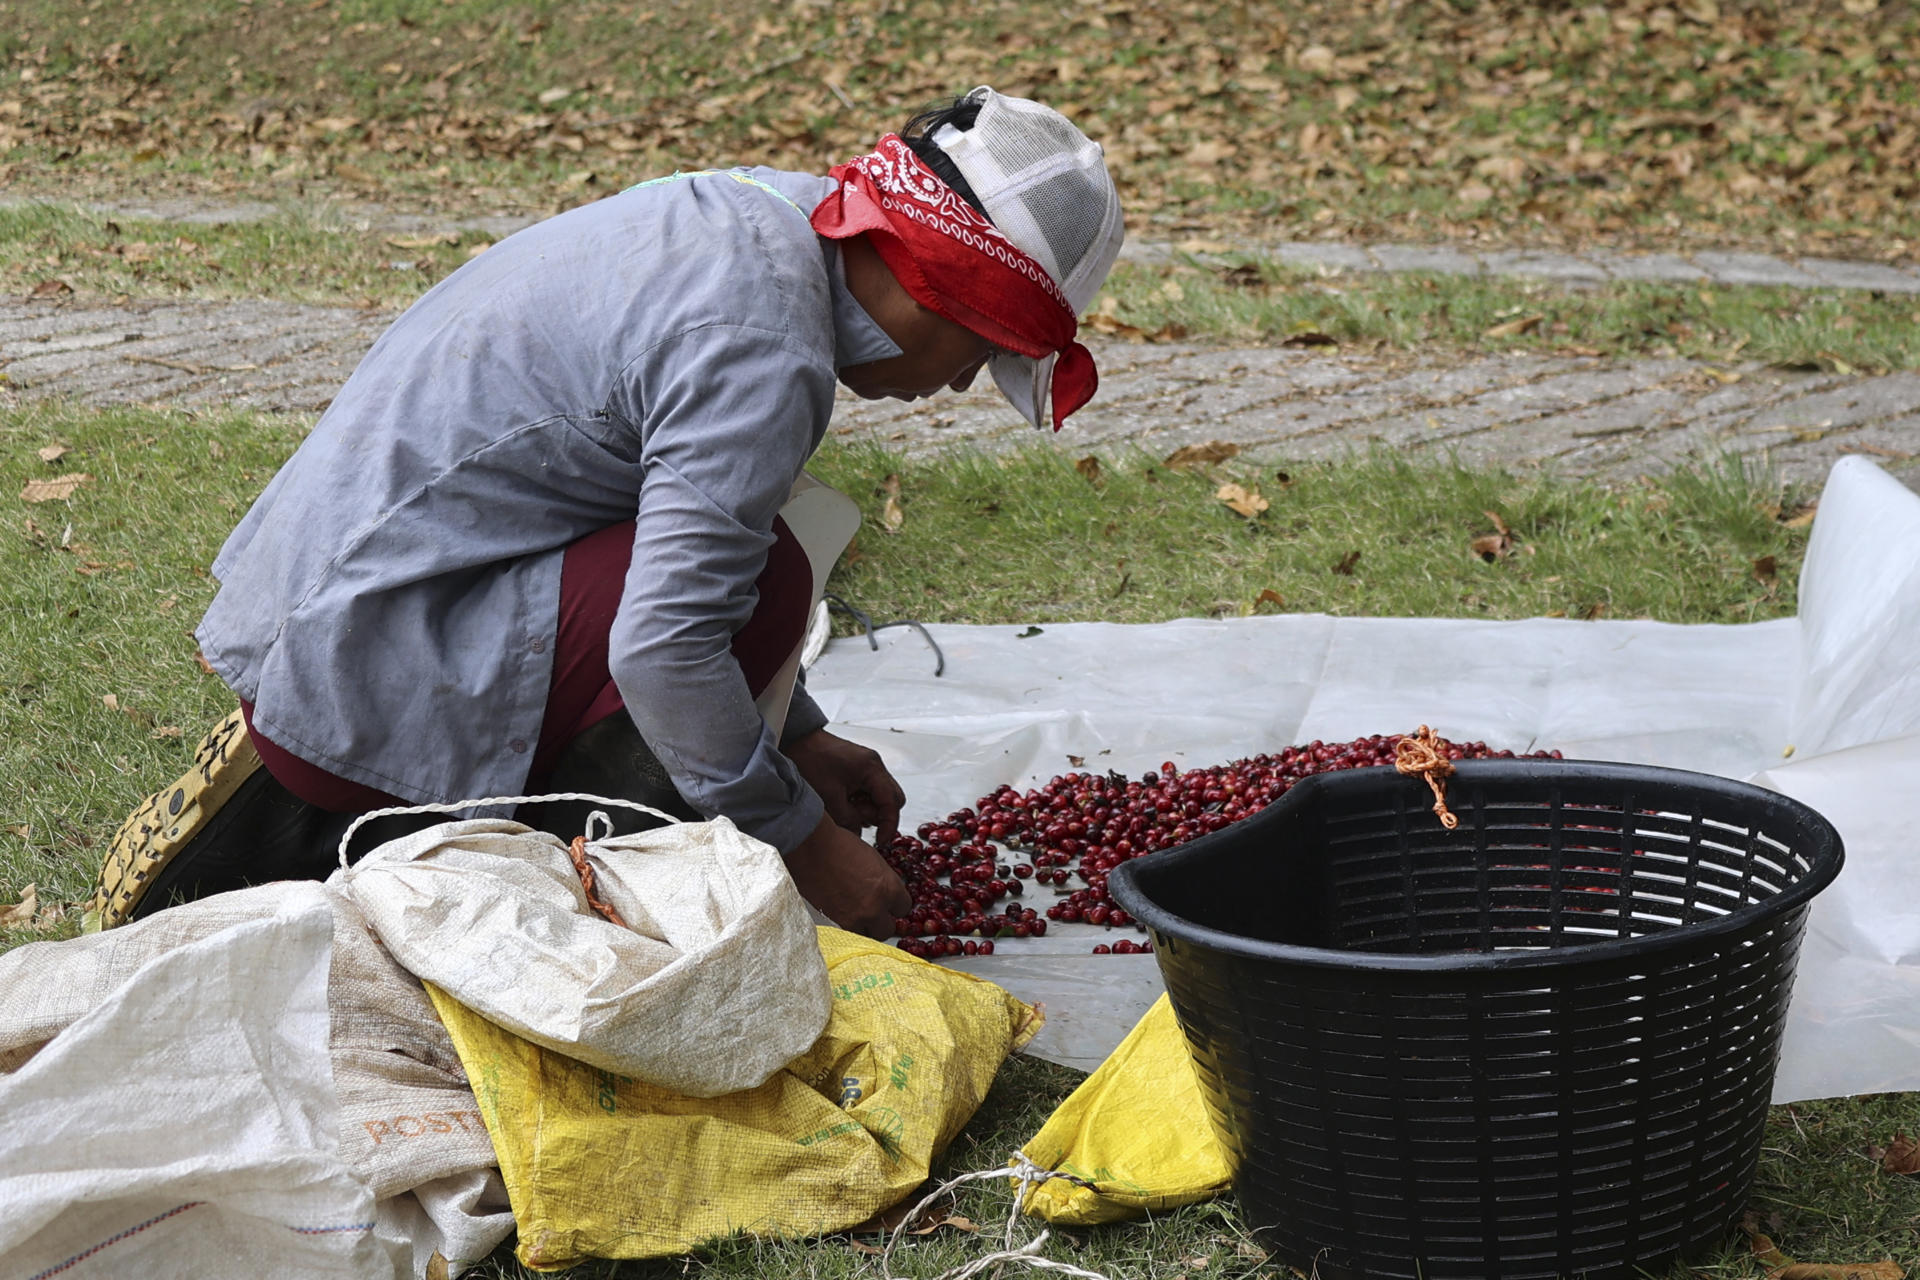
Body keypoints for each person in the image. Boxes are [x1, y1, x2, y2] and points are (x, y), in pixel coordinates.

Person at [89, 86, 1126, 938]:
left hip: (341, 598)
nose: (955, 390)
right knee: (765, 587)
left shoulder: (770, 216)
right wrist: (803, 840)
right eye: (980, 356)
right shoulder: (765, 356)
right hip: (364, 657)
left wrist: (796, 734)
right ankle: (444, 843)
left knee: (755, 554)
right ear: (947, 297)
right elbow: (667, 650)